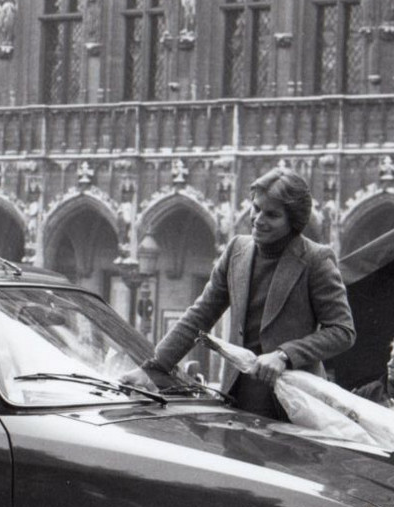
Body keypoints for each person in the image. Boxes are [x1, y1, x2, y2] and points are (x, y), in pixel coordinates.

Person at [124, 168, 355, 418]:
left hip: (294, 403)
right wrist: (153, 368)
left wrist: (285, 354)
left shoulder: (316, 259)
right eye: (256, 208)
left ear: (294, 221)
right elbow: (199, 316)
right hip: (236, 397)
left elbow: (342, 331)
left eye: (272, 215)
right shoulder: (236, 249)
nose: (258, 219)